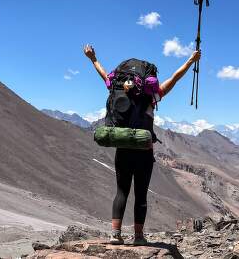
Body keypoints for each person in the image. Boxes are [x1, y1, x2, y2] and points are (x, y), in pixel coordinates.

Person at [83, 44, 201, 245]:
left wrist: (92, 58)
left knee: (121, 192)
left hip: (123, 148)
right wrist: (191, 60)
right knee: (141, 195)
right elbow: (175, 78)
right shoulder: (151, 95)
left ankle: (115, 234)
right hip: (144, 151)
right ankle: (138, 237)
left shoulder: (117, 87)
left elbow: (104, 75)